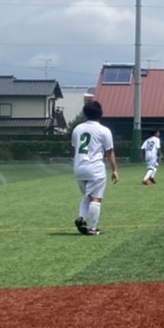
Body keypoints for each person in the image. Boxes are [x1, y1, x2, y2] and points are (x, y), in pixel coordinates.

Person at [71, 100, 118, 235]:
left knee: (88, 196)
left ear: (85, 113)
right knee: (96, 199)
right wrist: (114, 170)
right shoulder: (104, 130)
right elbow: (109, 152)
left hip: (79, 168)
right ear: (100, 113)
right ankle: (93, 228)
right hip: (95, 168)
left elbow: (74, 149)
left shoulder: (77, 129)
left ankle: (81, 218)